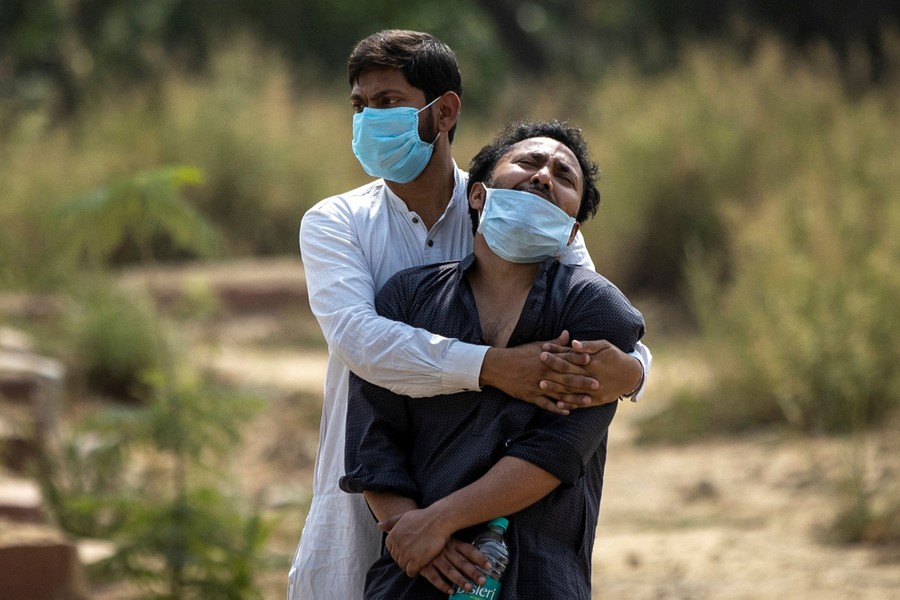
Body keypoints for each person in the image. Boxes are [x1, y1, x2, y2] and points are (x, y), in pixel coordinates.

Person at [290, 30, 652, 599]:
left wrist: (634, 373)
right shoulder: (337, 224)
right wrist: (494, 366)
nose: (367, 120)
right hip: (372, 491)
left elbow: (596, 320)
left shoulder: (524, 211)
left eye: (387, 103)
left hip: (513, 527)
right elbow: (360, 343)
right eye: (359, 107)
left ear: (445, 111)